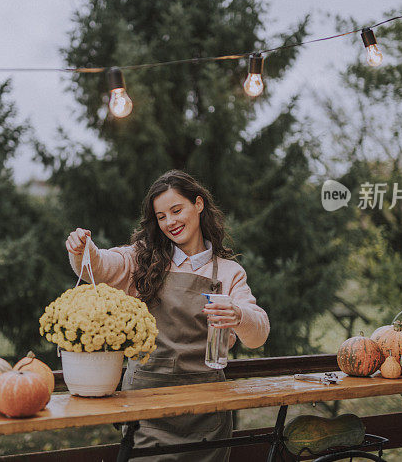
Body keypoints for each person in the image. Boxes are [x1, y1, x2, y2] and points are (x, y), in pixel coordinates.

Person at [65, 170, 270, 462]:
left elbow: (258, 334)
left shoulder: (228, 272)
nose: (170, 222)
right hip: (146, 407)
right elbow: (99, 268)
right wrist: (84, 249)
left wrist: (238, 315)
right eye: (161, 217)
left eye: (176, 210)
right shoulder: (141, 259)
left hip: (206, 414)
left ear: (198, 204)